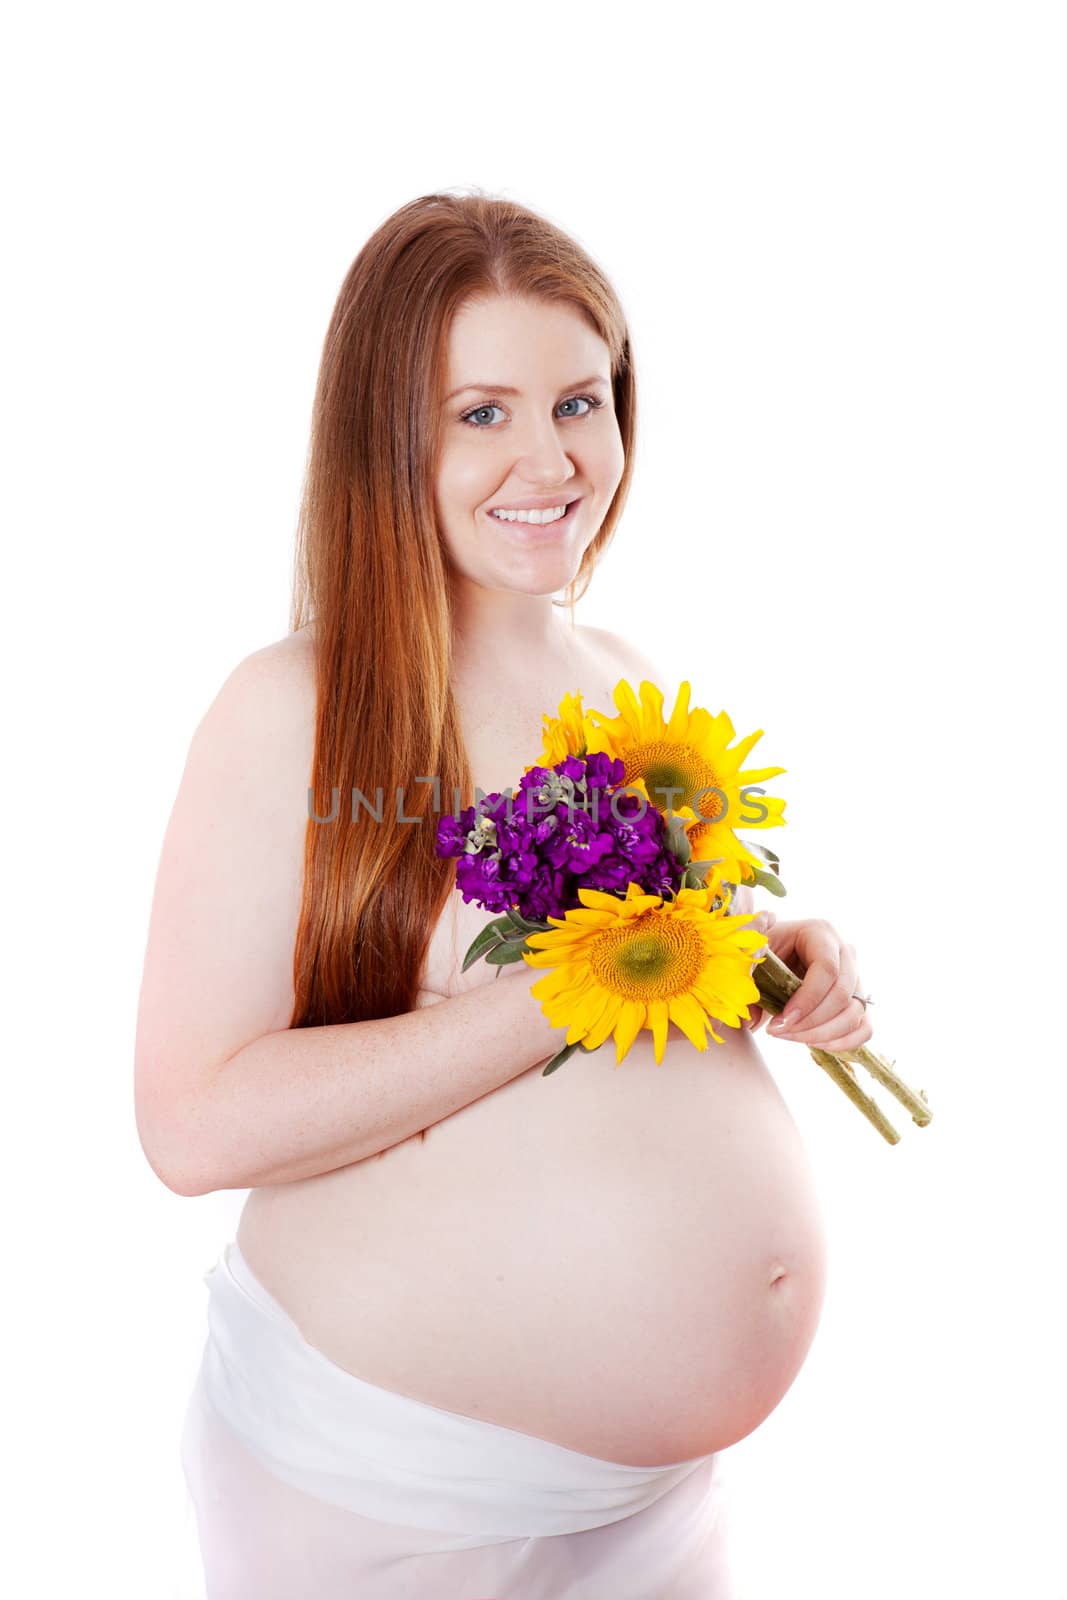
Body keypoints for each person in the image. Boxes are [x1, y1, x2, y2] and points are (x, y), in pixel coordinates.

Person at [134, 189, 874, 1598]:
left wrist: (770, 957)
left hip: (653, 1503)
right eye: (483, 411)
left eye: (579, 402)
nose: (551, 458)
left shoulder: (619, 677)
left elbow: (646, 972)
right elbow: (189, 1122)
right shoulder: (291, 708)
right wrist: (549, 1003)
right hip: (395, 1492)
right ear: (385, 435)